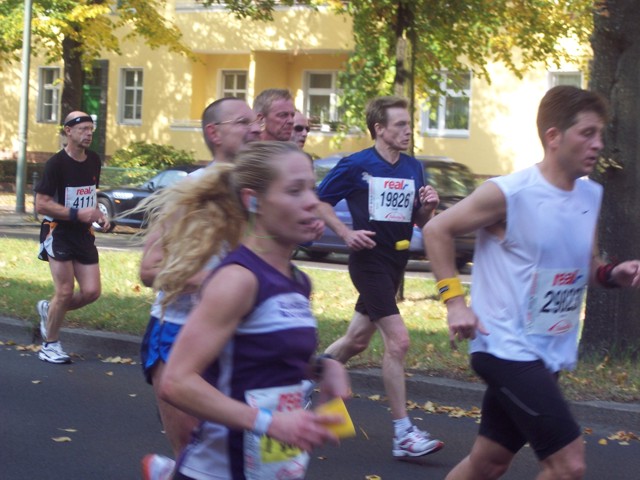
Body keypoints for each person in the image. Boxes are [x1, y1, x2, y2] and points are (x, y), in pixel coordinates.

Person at [422, 85, 640, 480]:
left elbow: (587, 265)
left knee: (488, 463)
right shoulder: (510, 193)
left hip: (546, 350)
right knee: (568, 465)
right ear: (553, 137)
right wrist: (455, 302)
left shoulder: (591, 194)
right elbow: (438, 229)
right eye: (587, 133)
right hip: (505, 348)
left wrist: (612, 275)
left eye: (600, 135)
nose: (598, 144)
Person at [148, 141, 350, 480]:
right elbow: (176, 383)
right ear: (252, 199)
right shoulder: (237, 280)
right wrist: (269, 423)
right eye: (294, 191)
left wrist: (324, 367)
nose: (313, 202)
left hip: (271, 471)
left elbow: (259, 357)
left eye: (312, 188)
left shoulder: (297, 281)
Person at [315, 96, 444, 459]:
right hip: (367, 261)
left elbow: (421, 221)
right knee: (398, 341)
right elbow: (320, 201)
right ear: (379, 129)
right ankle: (403, 434)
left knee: (355, 341)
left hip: (395, 263)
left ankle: (300, 381)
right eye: (400, 125)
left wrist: (429, 208)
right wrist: (345, 234)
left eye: (409, 124)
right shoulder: (356, 164)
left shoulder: (414, 167)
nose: (407, 131)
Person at [139, 97, 262, 479]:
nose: (254, 128)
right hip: (178, 333)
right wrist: (218, 284)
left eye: (254, 121)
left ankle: (166, 473)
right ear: (214, 132)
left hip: (236, 340)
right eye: (243, 122)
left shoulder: (260, 194)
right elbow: (149, 269)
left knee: (240, 455)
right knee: (195, 453)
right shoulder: (190, 192)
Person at [34, 111, 109, 364]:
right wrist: (79, 213)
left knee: (91, 292)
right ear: (68, 131)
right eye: (83, 129)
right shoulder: (56, 164)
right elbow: (41, 205)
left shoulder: (94, 160)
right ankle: (50, 345)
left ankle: (49, 309)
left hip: (83, 234)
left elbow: (89, 193)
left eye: (91, 129)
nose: (89, 133)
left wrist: (97, 212)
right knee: (65, 291)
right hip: (59, 232)